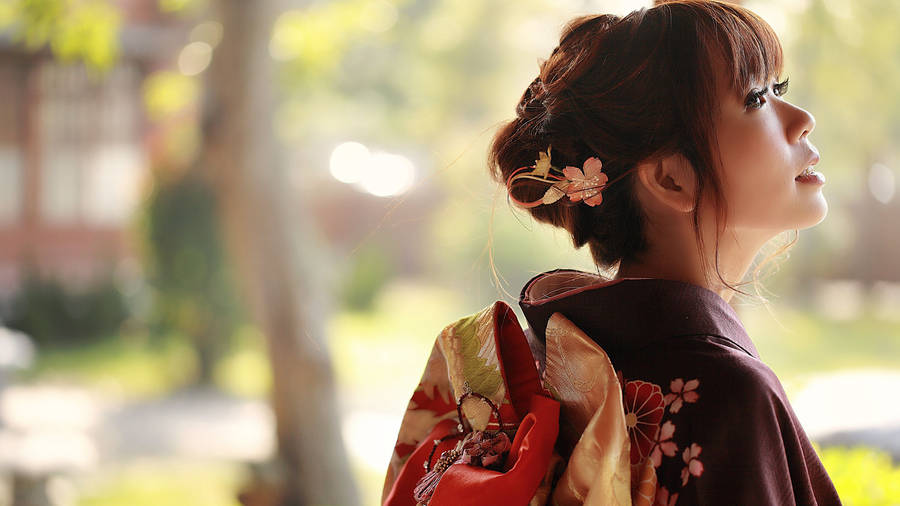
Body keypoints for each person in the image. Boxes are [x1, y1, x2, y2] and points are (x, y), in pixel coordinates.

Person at [383, 1, 842, 504]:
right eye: (756, 98)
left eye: (780, 89)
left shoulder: (540, 369)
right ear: (671, 177)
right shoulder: (725, 393)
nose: (802, 120)